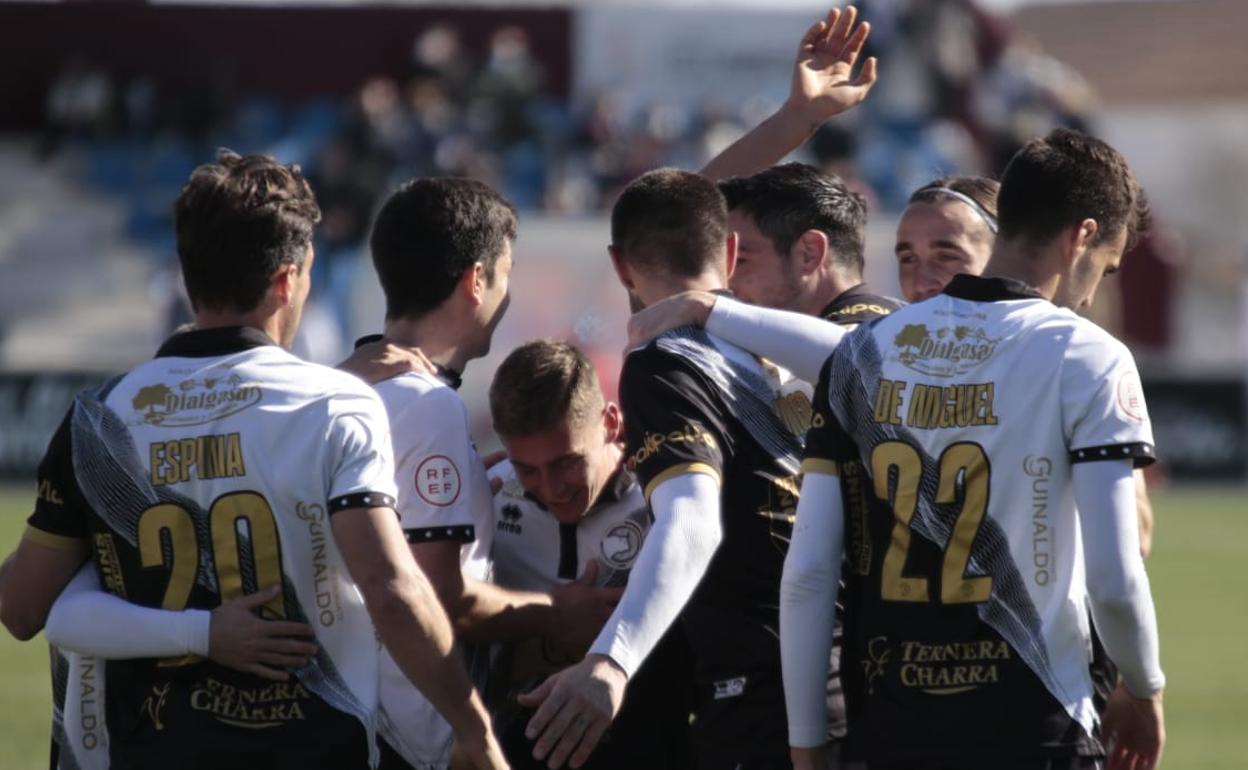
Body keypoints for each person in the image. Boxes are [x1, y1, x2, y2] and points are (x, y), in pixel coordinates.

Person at [0, 151, 506, 770]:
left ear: (189, 273)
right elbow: (392, 591)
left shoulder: (98, 416)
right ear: (288, 279)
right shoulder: (335, 405)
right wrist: (473, 727)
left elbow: (21, 607)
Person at [782, 128, 1166, 770]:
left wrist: (808, 744)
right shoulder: (1086, 354)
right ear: (1081, 236)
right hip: (1036, 724)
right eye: (1106, 264)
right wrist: (1145, 688)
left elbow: (810, 573)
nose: (1093, 291)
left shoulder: (862, 353)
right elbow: (1115, 578)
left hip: (890, 728)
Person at [518, 169, 806, 770]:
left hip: (753, 680)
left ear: (620, 267)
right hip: (829, 669)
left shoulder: (665, 361)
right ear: (729, 250)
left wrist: (609, 661)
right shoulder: (781, 352)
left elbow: (692, 521)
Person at [356, 178, 620, 769]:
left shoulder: (337, 387)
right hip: (410, 740)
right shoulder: (428, 406)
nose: (507, 297)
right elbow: (440, 599)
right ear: (476, 281)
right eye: (505, 275)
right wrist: (560, 610)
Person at [484, 339, 692, 770]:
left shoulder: (668, 494)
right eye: (527, 469)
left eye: (566, 462)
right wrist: (552, 626)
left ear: (611, 423)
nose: (552, 488)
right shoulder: (486, 496)